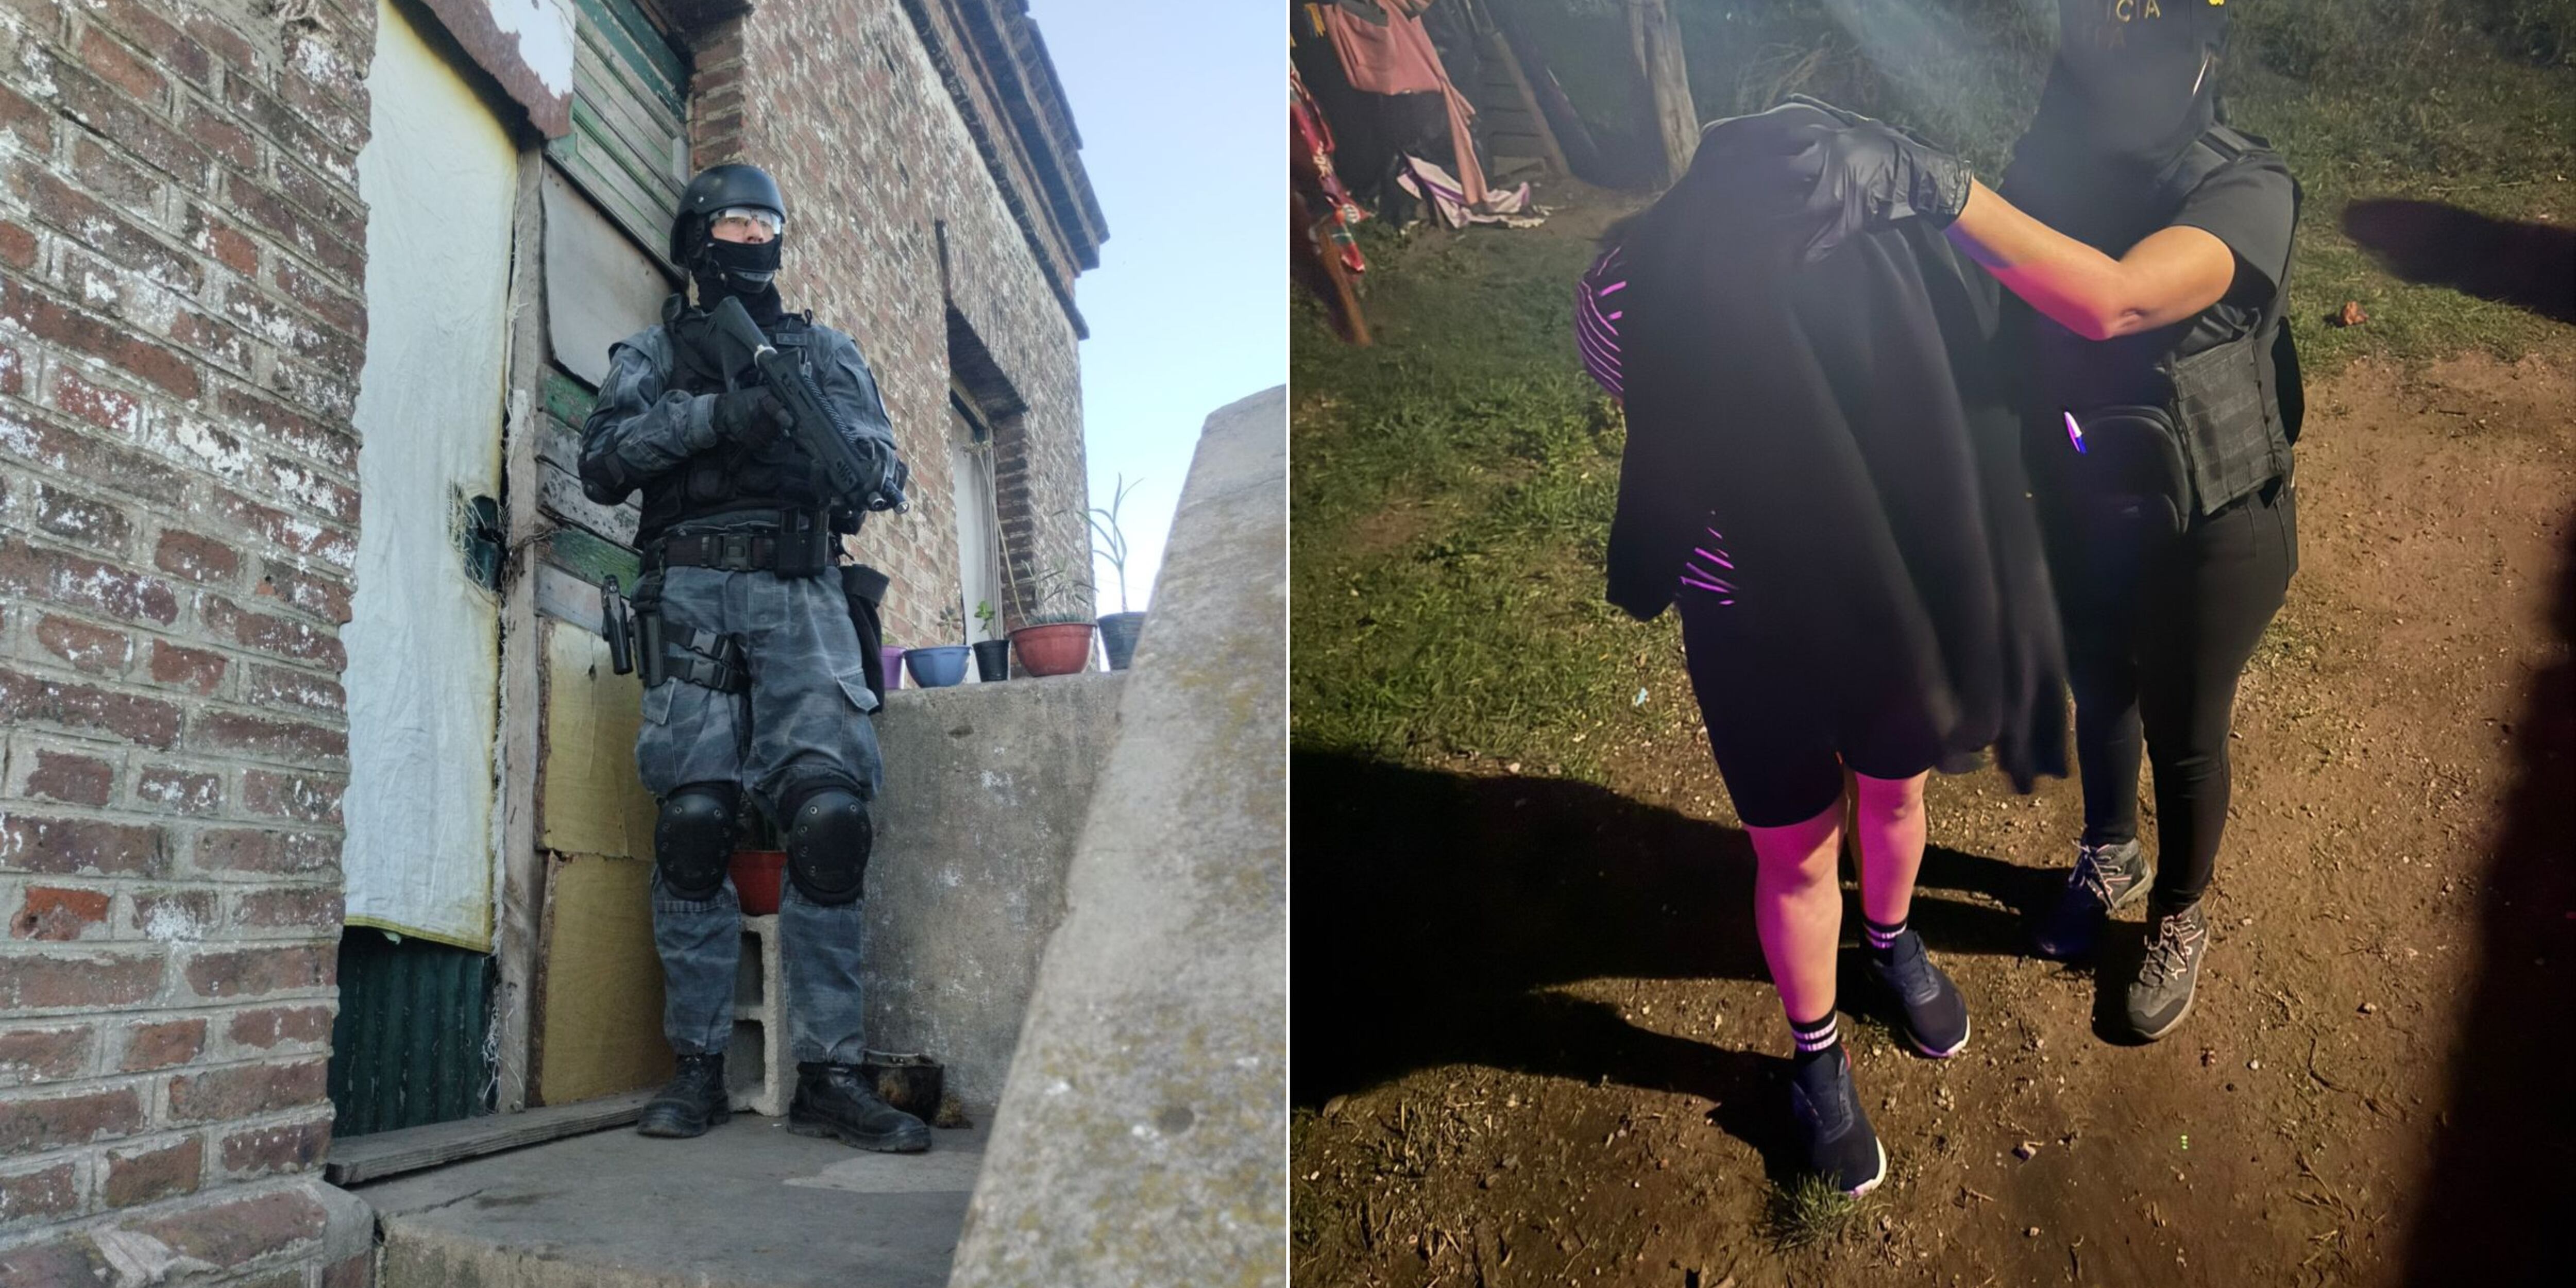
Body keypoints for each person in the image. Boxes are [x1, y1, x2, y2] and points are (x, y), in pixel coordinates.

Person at [1786, 1, 2300, 1043]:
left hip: (2216, 518)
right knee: (2099, 689)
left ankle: (2178, 911)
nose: (2110, 65)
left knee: (2184, 731)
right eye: (2093, 43)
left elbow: (2109, 299)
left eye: (2136, 42)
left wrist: (1941, 186)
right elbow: (1980, 291)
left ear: (2199, 57)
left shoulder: (2246, 188)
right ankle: (2109, 852)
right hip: (2082, 491)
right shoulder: (2056, 165)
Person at [1585, 100, 2067, 1197]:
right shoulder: (1628, 283)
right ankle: (1817, 1060)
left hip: (1878, 600)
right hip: (1746, 620)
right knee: (1793, 849)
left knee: (1893, 796)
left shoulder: (1884, 252)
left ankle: (1891, 942)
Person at [579, 163, 928, 1152]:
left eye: (766, 221)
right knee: (694, 821)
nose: (753, 236)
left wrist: (852, 466)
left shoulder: (826, 350)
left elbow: (882, 463)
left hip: (804, 593)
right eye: (733, 222)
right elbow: (602, 462)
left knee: (829, 822)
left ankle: (831, 1073)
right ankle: (694, 1068)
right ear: (698, 239)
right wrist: (717, 419)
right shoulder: (652, 352)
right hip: (689, 592)